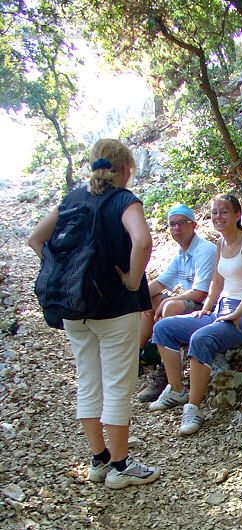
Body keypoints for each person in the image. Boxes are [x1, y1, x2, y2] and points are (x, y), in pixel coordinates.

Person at [28, 139, 160, 489]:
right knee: (117, 385)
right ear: (126, 169)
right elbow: (142, 242)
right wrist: (132, 280)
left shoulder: (72, 199)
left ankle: (98, 460)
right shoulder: (123, 201)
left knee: (88, 381)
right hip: (115, 308)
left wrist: (63, 271)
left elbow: (35, 239)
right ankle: (120, 467)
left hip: (74, 307)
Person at [149, 193, 242, 435]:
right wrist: (205, 309)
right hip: (220, 310)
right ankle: (176, 390)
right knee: (163, 327)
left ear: (237, 215)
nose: (218, 216)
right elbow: (217, 280)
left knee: (200, 338)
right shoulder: (220, 244)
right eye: (214, 212)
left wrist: (238, 311)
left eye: (224, 211)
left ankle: (194, 407)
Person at [137, 203, 217, 402]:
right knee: (149, 299)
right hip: (192, 302)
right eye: (172, 225)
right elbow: (159, 284)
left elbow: (200, 293)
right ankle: (133, 356)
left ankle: (166, 374)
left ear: (194, 225)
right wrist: (133, 297)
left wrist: (169, 301)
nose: (176, 229)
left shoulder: (205, 250)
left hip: (208, 307)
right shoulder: (181, 255)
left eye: (182, 223)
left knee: (170, 305)